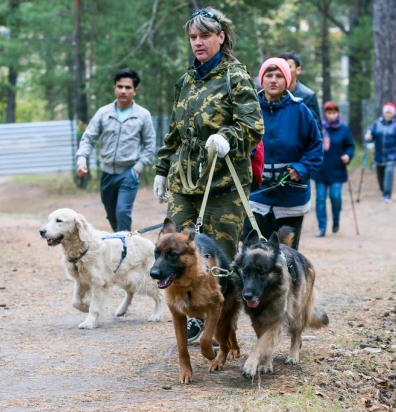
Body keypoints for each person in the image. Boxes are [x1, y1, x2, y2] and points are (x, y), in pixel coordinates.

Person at [153, 8, 263, 343]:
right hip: (185, 179)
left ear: (221, 37)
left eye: (204, 36)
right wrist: (161, 167)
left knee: (219, 259)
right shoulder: (185, 81)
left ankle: (222, 326)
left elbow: (253, 126)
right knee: (175, 248)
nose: (198, 43)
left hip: (225, 183)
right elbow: (175, 129)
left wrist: (226, 138)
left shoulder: (236, 77)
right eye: (193, 37)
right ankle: (193, 318)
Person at [244, 57, 322, 250]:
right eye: (268, 75)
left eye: (279, 76)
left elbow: (315, 148)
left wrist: (301, 168)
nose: (273, 80)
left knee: (286, 254)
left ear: (287, 80)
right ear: (261, 80)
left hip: (291, 195)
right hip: (257, 194)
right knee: (254, 252)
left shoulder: (301, 110)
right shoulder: (249, 110)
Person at [76, 68, 156, 232]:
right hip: (107, 175)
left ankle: (124, 251)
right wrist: (81, 160)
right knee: (112, 216)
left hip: (128, 173)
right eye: (120, 87)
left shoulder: (143, 115)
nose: (123, 91)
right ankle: (121, 241)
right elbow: (88, 138)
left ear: (135, 91)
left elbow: (150, 146)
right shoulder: (103, 113)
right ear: (114, 88)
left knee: (122, 212)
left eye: (128, 87)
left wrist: (137, 169)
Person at [312, 101, 355, 237]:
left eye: (334, 113)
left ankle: (336, 220)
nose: (331, 115)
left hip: (337, 169)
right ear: (325, 114)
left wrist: (348, 155)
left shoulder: (344, 129)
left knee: (335, 197)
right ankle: (322, 227)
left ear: (338, 114)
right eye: (329, 113)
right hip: (321, 169)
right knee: (320, 199)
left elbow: (350, 146)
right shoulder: (319, 129)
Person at [365, 103, 396, 203]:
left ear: (393, 114)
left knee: (388, 174)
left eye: (390, 113)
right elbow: (372, 135)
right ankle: (384, 192)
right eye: (387, 112)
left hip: (391, 155)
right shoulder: (377, 124)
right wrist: (369, 136)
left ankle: (387, 194)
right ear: (384, 113)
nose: (388, 114)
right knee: (380, 176)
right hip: (378, 155)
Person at [278, 51, 322, 125]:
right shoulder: (271, 95)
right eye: (281, 67)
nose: (284, 71)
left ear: (298, 70)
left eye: (288, 67)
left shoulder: (308, 96)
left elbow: (316, 129)